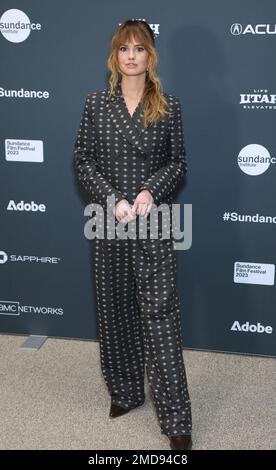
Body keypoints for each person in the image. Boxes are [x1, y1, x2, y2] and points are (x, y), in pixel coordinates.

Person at [73, 19, 192, 450]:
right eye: (124, 48)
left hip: (154, 221)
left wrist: (148, 191)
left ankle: (177, 418)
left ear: (150, 56)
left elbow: (179, 163)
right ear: (114, 55)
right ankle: (125, 393)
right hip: (109, 221)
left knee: (161, 321)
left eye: (139, 48)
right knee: (115, 311)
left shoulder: (169, 105)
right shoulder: (95, 103)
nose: (131, 55)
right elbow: (83, 160)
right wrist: (111, 199)